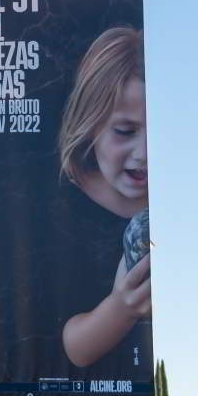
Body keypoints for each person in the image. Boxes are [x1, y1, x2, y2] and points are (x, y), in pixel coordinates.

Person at [58, 27, 151, 368]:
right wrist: (122, 306)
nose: (144, 153)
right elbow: (72, 346)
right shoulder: (59, 209)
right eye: (125, 131)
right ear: (91, 121)